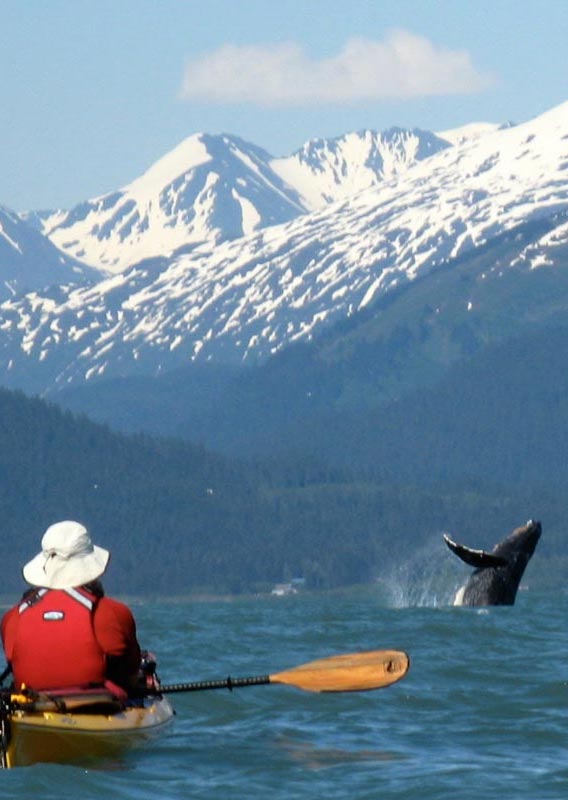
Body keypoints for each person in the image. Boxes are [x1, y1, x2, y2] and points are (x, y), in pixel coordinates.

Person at [1, 520, 142, 697]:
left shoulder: (12, 618)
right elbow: (131, 673)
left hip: (30, 707)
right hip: (97, 705)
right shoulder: (114, 613)